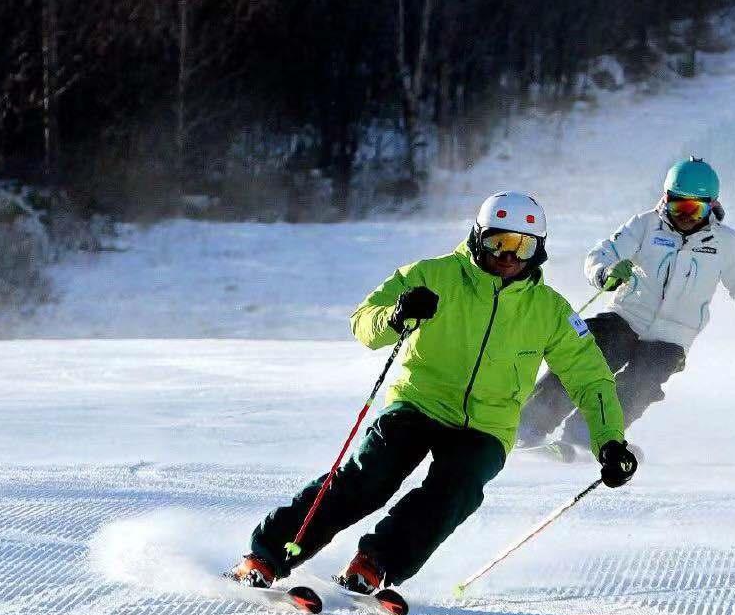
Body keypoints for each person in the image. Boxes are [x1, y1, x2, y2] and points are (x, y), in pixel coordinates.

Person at [228, 191, 639, 593]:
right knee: (370, 477)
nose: (509, 256)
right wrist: (398, 314)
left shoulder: (550, 309)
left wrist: (609, 441)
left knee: (455, 490)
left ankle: (374, 564)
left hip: (487, 424)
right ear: (479, 237)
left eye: (523, 247)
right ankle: (268, 554)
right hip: (420, 403)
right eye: (499, 242)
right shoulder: (433, 275)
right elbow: (364, 324)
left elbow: (591, 379)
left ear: (540, 251)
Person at [515, 158, 735, 459]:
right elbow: (602, 254)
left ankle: (584, 437)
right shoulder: (645, 226)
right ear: (665, 199)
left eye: (696, 210)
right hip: (626, 316)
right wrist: (607, 272)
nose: (685, 217)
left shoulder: (726, 244)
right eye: (678, 207)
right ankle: (528, 426)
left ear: (712, 206)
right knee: (589, 358)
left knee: (643, 381)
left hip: (674, 334)